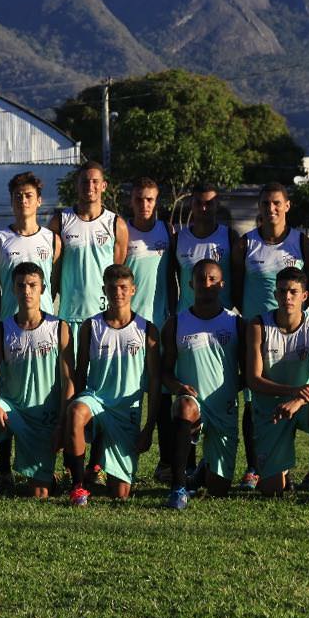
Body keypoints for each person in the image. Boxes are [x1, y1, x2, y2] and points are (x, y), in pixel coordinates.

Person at [232, 182, 309, 491]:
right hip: (259, 335)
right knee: (253, 399)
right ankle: (255, 466)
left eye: (277, 203)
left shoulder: (304, 244)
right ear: (259, 207)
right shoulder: (246, 244)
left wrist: (297, 323)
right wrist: (253, 324)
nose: (271, 208)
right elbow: (237, 290)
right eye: (265, 203)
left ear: (287, 206)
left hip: (296, 336)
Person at [0, 262, 72, 500]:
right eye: (21, 285)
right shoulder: (2, 330)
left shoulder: (59, 327)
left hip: (43, 417)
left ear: (43, 289)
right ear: (12, 289)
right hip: (11, 410)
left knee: (39, 494)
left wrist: (62, 424)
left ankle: (51, 478)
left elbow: (68, 381)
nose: (26, 291)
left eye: (32, 285)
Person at [246, 267, 309, 504]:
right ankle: (281, 470)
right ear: (275, 294)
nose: (287, 297)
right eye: (282, 291)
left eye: (293, 292)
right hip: (271, 411)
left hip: (303, 406)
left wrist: (299, 399)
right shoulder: (258, 326)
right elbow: (253, 380)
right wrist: (293, 392)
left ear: (305, 296)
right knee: (272, 491)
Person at [63, 263, 159, 505]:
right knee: (76, 412)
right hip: (95, 400)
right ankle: (78, 486)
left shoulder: (147, 329)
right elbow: (80, 372)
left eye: (124, 287)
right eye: (113, 287)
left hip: (126, 412)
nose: (118, 293)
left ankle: (97, 467)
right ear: (104, 290)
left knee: (120, 493)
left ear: (133, 290)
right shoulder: (91, 326)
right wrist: (68, 417)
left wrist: (149, 428)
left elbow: (155, 382)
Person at [160, 259, 243, 508]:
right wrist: (177, 387)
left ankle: (201, 471)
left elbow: (249, 372)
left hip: (224, 408)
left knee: (218, 489)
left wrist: (228, 388)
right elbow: (165, 372)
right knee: (184, 406)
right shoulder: (176, 323)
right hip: (192, 403)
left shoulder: (236, 323)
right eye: (200, 279)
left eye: (212, 279)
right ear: (190, 284)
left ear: (222, 284)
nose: (206, 284)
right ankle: (178, 488)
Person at [124, 176, 176, 482]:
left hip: (160, 326)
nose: (144, 204)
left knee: (163, 396)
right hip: (129, 326)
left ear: (157, 202)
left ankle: (166, 463)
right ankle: (118, 464)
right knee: (128, 396)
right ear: (131, 200)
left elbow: (170, 277)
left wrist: (172, 316)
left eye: (150, 199)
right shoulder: (122, 230)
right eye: (139, 199)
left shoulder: (166, 231)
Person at [51, 161, 129, 339]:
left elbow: (117, 273)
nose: (90, 186)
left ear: (104, 186)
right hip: (69, 315)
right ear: (77, 185)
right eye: (85, 181)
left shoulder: (116, 224)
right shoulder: (60, 221)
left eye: (95, 181)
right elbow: (54, 271)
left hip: (104, 317)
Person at [0, 170, 60, 325]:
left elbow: (53, 285)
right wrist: (4, 318)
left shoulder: (53, 240)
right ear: (11, 201)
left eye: (28, 195)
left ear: (39, 201)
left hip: (45, 325)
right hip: (10, 323)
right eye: (18, 196)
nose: (23, 200)